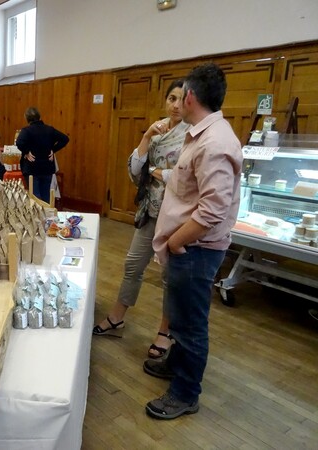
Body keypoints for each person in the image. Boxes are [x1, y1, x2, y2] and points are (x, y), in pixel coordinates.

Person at [143, 63, 242, 420]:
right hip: (189, 246)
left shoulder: (214, 142)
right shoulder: (201, 134)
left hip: (195, 248)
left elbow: (212, 209)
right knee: (182, 317)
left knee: (190, 324)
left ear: (190, 97)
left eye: (179, 95)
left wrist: (174, 242)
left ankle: (185, 394)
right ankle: (176, 365)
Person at [93, 80, 189, 359]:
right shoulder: (157, 132)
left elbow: (184, 180)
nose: (175, 105)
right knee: (133, 265)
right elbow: (135, 172)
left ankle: (165, 331)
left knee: (169, 276)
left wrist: (156, 171)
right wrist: (146, 136)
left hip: (175, 216)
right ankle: (116, 317)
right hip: (149, 211)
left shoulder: (191, 136)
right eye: (171, 98)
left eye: (182, 100)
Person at [16, 107, 69, 203]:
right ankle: (47, 216)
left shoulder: (26, 131)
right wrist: (53, 150)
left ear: (26, 118)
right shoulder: (49, 129)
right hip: (47, 167)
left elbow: (19, 143)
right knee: (46, 196)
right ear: (39, 117)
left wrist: (27, 152)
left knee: (35, 198)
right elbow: (65, 139)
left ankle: (38, 217)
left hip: (32, 168)